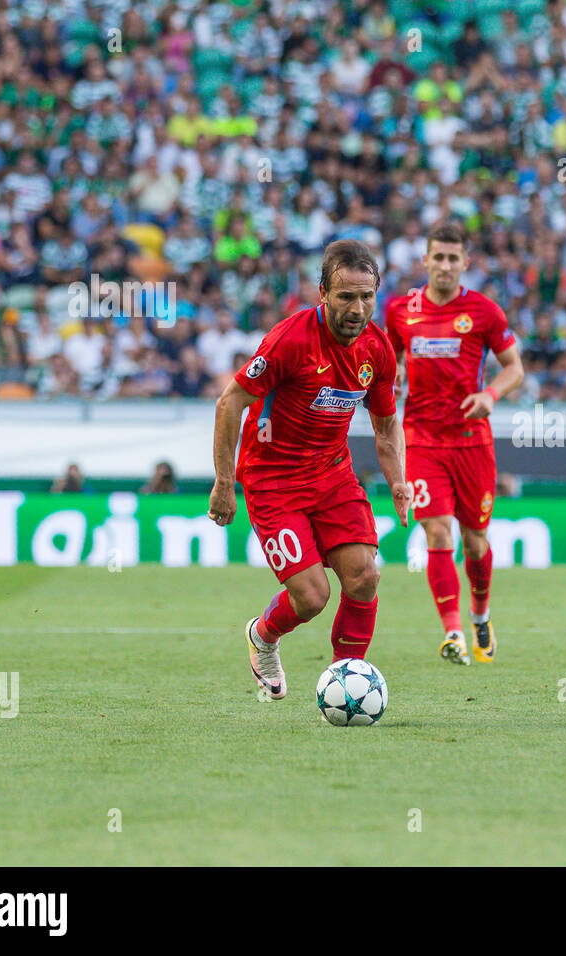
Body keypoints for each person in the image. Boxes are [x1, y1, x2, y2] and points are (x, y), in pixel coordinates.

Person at [208, 240, 410, 700]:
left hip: (333, 474)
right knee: (313, 596)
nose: (357, 308)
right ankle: (263, 634)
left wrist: (398, 480)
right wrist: (224, 482)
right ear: (323, 292)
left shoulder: (377, 350)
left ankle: (347, 684)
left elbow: (385, 425)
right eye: (345, 296)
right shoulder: (290, 340)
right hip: (274, 480)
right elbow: (230, 400)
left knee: (365, 576)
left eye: (366, 296)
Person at [385, 221, 524, 665]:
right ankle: (453, 633)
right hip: (421, 439)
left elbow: (514, 367)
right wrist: (396, 372)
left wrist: (490, 394)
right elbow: (385, 358)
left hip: (472, 443)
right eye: (437, 257)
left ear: (466, 262)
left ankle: (480, 614)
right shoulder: (399, 311)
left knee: (476, 540)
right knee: (438, 531)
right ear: (425, 260)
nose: (444, 265)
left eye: (453, 258)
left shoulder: (484, 312)